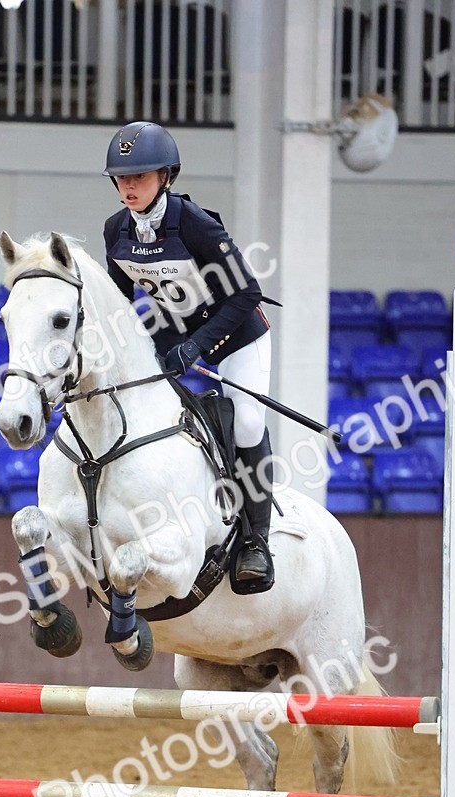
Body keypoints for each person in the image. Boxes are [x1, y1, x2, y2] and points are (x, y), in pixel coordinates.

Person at [103, 120, 275, 593]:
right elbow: (119, 306)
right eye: (121, 178)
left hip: (237, 333)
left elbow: (247, 295)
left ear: (166, 177)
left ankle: (257, 542)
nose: (129, 186)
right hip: (176, 334)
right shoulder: (115, 230)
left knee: (246, 423)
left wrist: (198, 347)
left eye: (139, 176)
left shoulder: (196, 224)